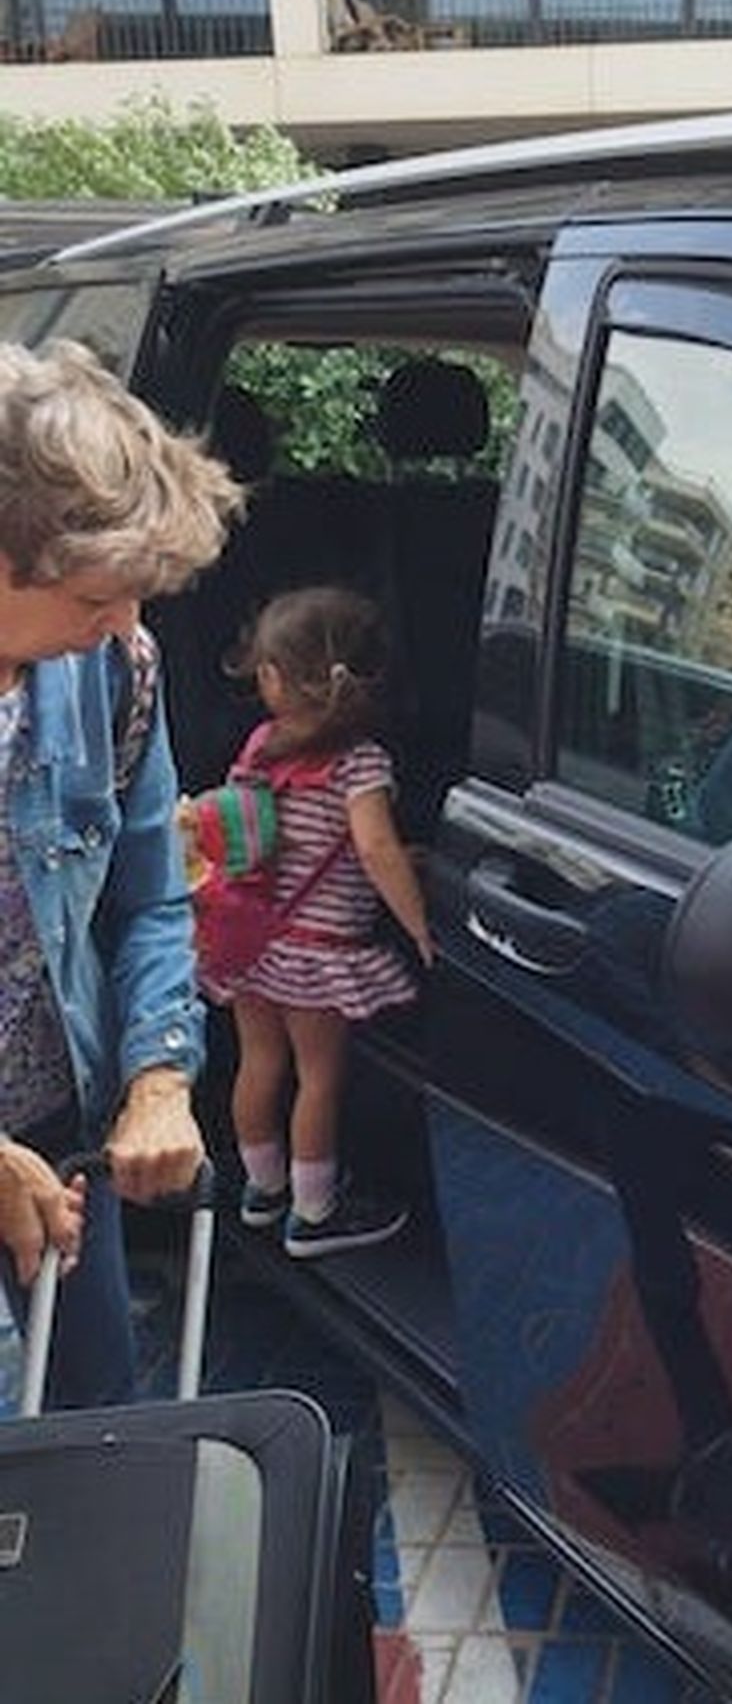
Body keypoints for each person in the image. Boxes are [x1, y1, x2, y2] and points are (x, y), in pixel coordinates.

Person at [0, 338, 243, 1408]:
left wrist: (157, 1076)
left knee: (102, 1427)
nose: (127, 627)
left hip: (59, 1136)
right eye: (99, 596)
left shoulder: (115, 673)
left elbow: (150, 893)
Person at [197, 585, 431, 1257]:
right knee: (320, 1077)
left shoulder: (262, 744)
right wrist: (417, 924)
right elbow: (375, 849)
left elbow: (272, 836)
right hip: (319, 949)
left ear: (275, 677)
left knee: (259, 1061)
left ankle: (263, 1189)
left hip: (253, 937)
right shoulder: (361, 762)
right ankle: (316, 1210)